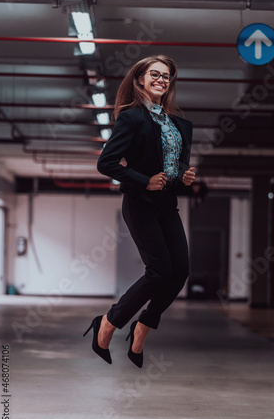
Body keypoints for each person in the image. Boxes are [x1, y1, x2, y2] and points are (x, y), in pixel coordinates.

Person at [83, 54, 195, 368]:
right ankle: (108, 322)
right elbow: (105, 163)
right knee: (159, 270)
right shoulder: (132, 118)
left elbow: (176, 169)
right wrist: (144, 181)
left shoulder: (181, 125)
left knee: (180, 271)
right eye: (155, 74)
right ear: (140, 80)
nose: (162, 80)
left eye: (167, 76)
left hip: (167, 205)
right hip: (139, 203)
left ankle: (143, 326)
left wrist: (184, 178)